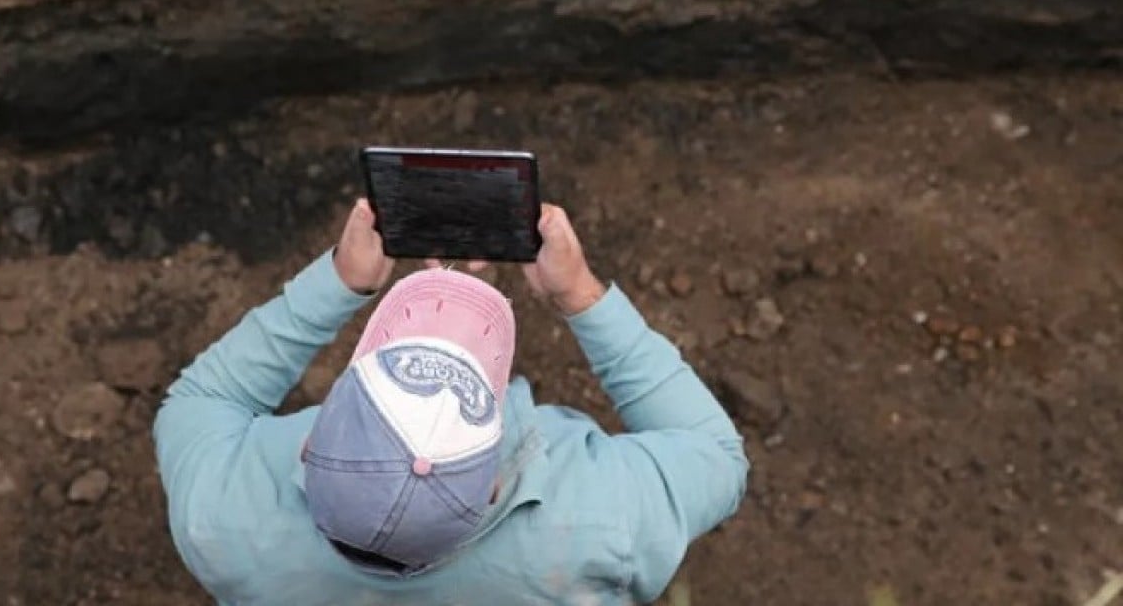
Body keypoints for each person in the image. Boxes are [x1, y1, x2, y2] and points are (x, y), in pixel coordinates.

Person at [153, 199, 749, 605]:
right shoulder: (599, 521)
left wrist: (341, 280)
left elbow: (204, 397)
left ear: (310, 445)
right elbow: (714, 454)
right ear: (492, 485)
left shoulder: (221, 514)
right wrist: (579, 296)